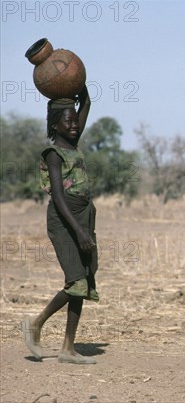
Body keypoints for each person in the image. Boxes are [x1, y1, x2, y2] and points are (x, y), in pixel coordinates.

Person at [21, 85, 99, 364]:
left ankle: (68, 348)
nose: (74, 124)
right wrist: (79, 232)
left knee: (84, 280)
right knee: (76, 280)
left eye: (76, 120)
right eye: (68, 121)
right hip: (64, 220)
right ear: (55, 125)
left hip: (83, 216)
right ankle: (36, 324)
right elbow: (59, 198)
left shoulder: (73, 144)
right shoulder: (53, 153)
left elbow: (86, 102)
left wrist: (78, 83)